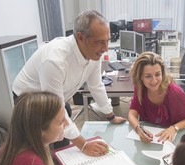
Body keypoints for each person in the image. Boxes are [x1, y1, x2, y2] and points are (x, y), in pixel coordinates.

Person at [12, 10, 126, 156]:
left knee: (61, 136)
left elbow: (96, 86)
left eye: (107, 40)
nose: (105, 48)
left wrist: (111, 116)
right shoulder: (55, 60)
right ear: (80, 37)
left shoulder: (93, 54)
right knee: (39, 149)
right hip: (29, 101)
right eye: (99, 42)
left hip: (56, 99)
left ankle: (61, 159)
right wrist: (84, 145)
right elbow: (55, 108)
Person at [128, 52, 185, 143]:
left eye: (157, 74)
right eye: (148, 76)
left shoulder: (175, 92)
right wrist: (139, 129)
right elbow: (132, 113)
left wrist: (174, 128)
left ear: (162, 73)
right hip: (152, 139)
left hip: (171, 140)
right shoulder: (140, 87)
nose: (154, 80)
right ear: (140, 77)